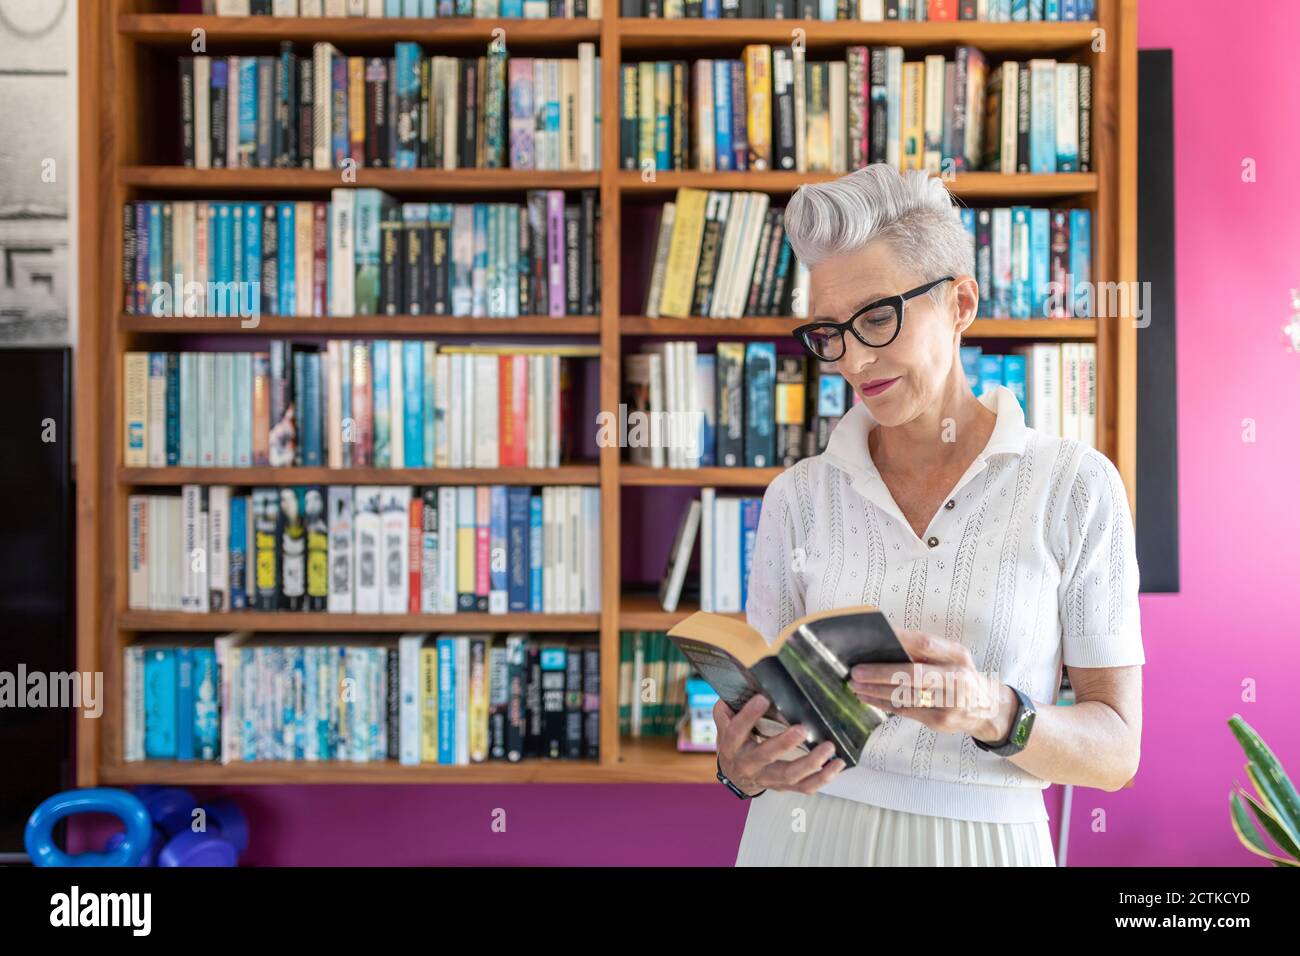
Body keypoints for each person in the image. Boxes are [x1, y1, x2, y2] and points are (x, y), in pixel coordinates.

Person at [715, 164, 1145, 866]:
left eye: (878, 318)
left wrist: (990, 710)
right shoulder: (798, 496)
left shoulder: (1075, 486)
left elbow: (1117, 753)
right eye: (830, 332)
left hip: (985, 845)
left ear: (960, 302)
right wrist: (741, 768)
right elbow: (766, 721)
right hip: (799, 840)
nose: (853, 357)